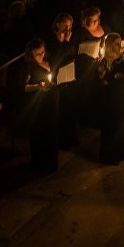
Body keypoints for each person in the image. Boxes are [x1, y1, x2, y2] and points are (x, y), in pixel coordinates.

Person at [97, 33, 124, 165]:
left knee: (123, 125)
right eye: (116, 44)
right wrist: (113, 78)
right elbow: (101, 82)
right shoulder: (104, 62)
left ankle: (123, 152)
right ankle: (110, 156)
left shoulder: (122, 59)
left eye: (120, 43)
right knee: (112, 127)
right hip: (111, 99)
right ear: (109, 45)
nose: (120, 46)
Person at [23, 38, 59, 171]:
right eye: (37, 54)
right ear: (30, 54)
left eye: (42, 52)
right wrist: (38, 86)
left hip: (52, 101)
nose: (41, 56)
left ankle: (51, 162)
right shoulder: (29, 68)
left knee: (51, 131)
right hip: (39, 106)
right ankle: (40, 164)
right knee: (40, 133)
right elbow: (25, 87)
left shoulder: (49, 62)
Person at [44, 12, 79, 149]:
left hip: (68, 78)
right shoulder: (50, 39)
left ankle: (70, 139)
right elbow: (55, 58)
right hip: (55, 78)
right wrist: (63, 42)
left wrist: (67, 43)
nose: (68, 29)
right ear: (58, 24)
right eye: (65, 26)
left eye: (70, 26)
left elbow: (71, 53)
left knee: (70, 108)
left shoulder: (68, 39)